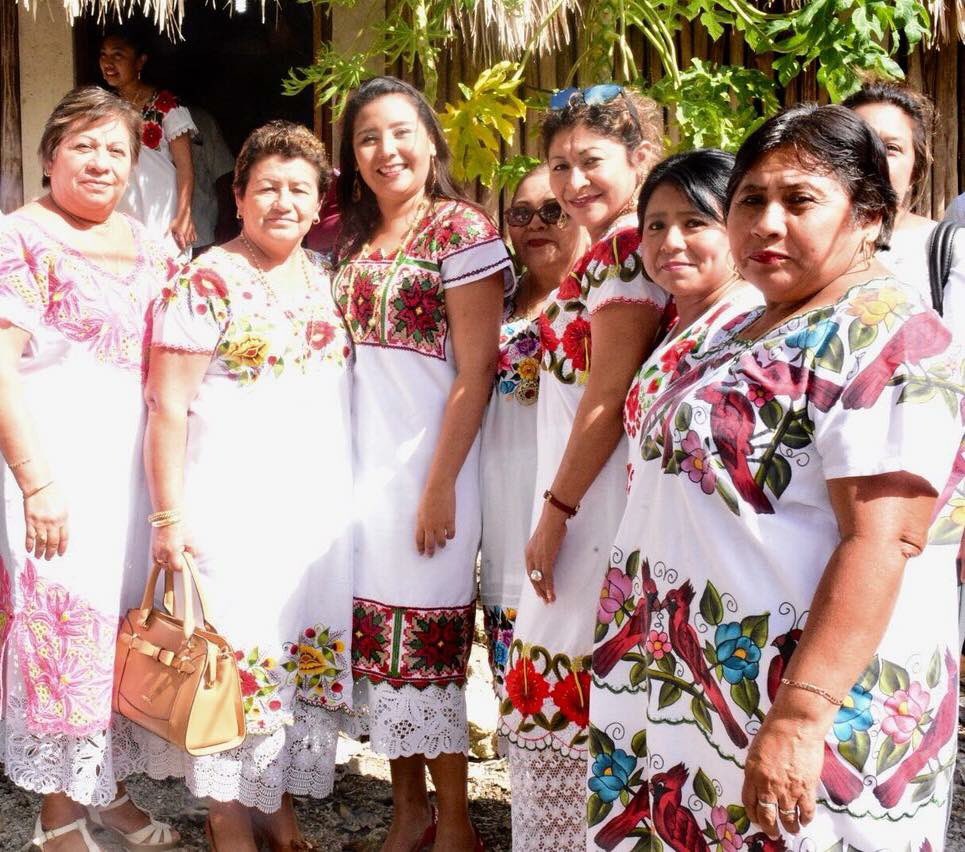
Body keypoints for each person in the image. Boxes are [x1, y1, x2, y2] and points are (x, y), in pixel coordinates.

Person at [587, 103, 963, 851]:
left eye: (799, 201)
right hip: (697, 694)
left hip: (803, 712)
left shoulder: (891, 340)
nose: (764, 222)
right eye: (749, 200)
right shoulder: (737, 321)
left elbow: (880, 544)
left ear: (868, 214)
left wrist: (798, 718)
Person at [123, 121, 353, 851]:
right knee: (235, 663)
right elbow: (168, 403)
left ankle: (274, 808)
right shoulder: (206, 277)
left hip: (312, 513)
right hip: (230, 507)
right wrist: (168, 516)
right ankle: (229, 819)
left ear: (320, 202)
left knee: (288, 657)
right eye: (267, 187)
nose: (282, 201)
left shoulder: (323, 275)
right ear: (240, 194)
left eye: (298, 188)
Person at [332, 76, 512, 852]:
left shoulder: (459, 229)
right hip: (358, 475)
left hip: (430, 469)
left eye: (400, 132)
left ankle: (457, 822)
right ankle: (408, 812)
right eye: (368, 137)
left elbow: (477, 371)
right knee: (378, 646)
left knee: (430, 648)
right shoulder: (346, 238)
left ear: (430, 141)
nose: (385, 150)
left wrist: (439, 485)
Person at [0, 86, 179, 852]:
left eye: (116, 147)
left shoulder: (151, 244)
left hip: (133, 482)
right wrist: (37, 479)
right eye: (84, 145)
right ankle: (56, 818)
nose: (102, 161)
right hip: (57, 477)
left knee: (120, 638)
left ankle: (106, 792)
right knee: (64, 634)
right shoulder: (20, 238)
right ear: (50, 157)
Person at [497, 85, 667, 850]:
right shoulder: (604, 253)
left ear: (642, 159)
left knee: (565, 676)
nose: (570, 183)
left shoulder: (630, 252)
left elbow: (604, 399)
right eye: (558, 165)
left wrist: (555, 511)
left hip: (593, 506)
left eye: (589, 162)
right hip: (580, 497)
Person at [479, 164, 588, 706]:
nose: (536, 225)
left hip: (578, 499)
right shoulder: (493, 303)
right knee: (518, 673)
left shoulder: (602, 301)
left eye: (553, 211)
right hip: (503, 499)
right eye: (520, 214)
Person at [843, 82, 963, 320]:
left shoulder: (954, 250)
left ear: (915, 171)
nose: (873, 158)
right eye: (858, 144)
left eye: (891, 148)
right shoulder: (801, 246)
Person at [99, 28, 197, 253]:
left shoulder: (165, 104)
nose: (108, 62)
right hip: (119, 206)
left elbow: (185, 167)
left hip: (159, 209)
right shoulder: (102, 106)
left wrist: (184, 214)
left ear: (140, 61)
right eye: (103, 54)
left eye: (118, 55)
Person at [186, 104, 235, 252]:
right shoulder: (141, 120)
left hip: (203, 229)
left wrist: (226, 222)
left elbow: (224, 173)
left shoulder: (199, 119)